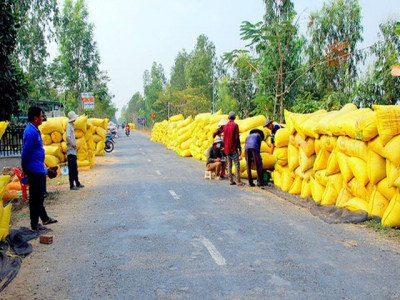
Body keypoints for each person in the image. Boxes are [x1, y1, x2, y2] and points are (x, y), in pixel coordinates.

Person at [21, 106, 58, 230]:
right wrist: (24, 169)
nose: (42, 118)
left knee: (39, 195)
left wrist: (47, 170)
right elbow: (26, 153)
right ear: (35, 118)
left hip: (37, 168)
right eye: (41, 116)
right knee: (36, 197)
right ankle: (34, 223)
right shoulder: (31, 132)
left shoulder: (34, 130)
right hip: (33, 169)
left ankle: (45, 218)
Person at [223, 111, 244, 186]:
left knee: (229, 164)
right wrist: (239, 148)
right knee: (237, 164)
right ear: (235, 118)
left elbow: (224, 138)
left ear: (228, 117)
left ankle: (231, 180)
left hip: (227, 149)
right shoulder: (235, 125)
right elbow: (236, 138)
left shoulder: (225, 126)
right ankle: (238, 180)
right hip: (233, 148)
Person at [66, 111, 84, 191]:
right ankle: (71, 185)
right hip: (70, 150)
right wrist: (73, 145)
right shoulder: (68, 127)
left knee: (75, 168)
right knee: (72, 168)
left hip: (73, 151)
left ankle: (77, 182)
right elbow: (68, 137)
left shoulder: (71, 126)